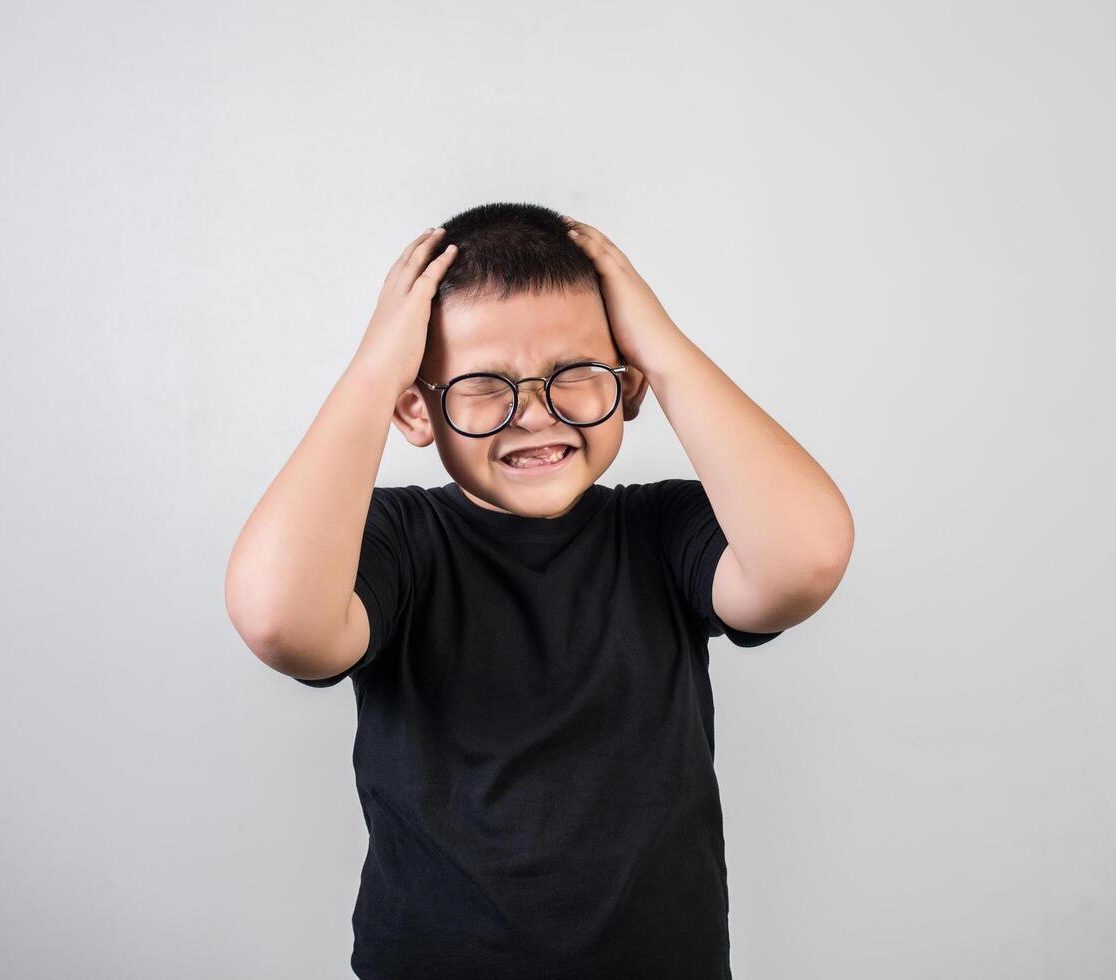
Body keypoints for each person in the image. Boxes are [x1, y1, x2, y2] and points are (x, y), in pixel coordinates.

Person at [224, 202, 854, 979]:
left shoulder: (664, 529)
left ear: (628, 387)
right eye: (484, 385)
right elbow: (281, 622)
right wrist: (370, 372)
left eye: (574, 376)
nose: (534, 414)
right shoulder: (390, 540)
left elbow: (807, 561)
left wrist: (662, 348)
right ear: (414, 409)